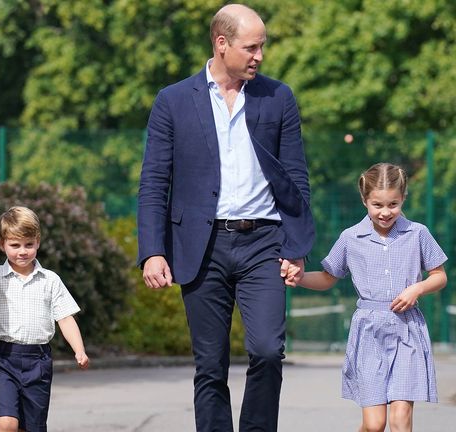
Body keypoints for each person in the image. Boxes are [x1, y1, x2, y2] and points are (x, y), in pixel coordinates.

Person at [137, 3, 315, 431]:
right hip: (202, 246)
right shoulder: (173, 100)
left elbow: (296, 178)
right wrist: (152, 251)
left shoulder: (279, 97)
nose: (259, 55)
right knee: (210, 366)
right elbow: (154, 182)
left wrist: (297, 248)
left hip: (264, 243)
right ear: (221, 44)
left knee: (269, 350)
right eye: (251, 47)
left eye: (262, 47)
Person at [294, 163, 446, 432]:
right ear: (365, 200)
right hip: (368, 334)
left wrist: (417, 289)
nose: (385, 212)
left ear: (403, 198)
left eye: (393, 204)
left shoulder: (418, 233)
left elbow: (439, 276)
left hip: (407, 332)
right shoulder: (350, 238)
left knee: (400, 420)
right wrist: (299, 277)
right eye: (377, 205)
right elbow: (329, 277)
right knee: (374, 425)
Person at [0, 206, 89, 432]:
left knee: (32, 427)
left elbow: (65, 318)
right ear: (1, 244)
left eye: (29, 244)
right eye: (15, 245)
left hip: (38, 361)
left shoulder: (50, 280)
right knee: (6, 424)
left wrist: (79, 350)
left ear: (38, 242)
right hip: (5, 359)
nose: (22, 251)